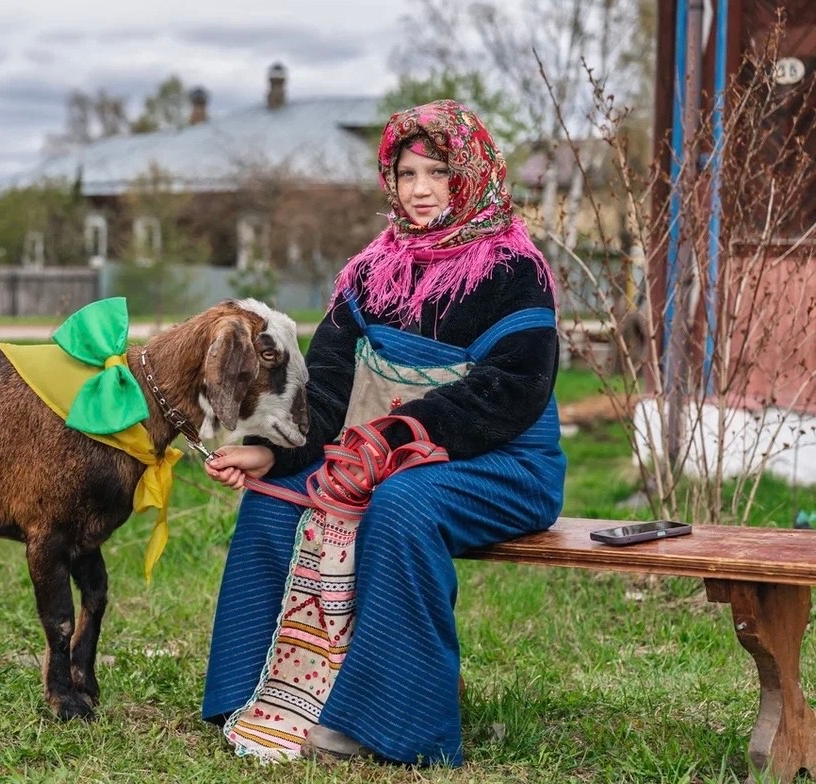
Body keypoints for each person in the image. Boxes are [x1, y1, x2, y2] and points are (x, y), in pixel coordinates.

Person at [201, 99, 566, 767]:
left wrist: (396, 439)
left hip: (500, 462)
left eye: (439, 172)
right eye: (407, 174)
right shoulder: (368, 273)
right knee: (273, 495)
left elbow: (509, 394)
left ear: (472, 174)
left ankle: (386, 725)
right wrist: (270, 450)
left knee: (402, 508)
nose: (421, 189)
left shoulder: (516, 272)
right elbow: (330, 393)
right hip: (381, 454)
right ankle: (256, 693)